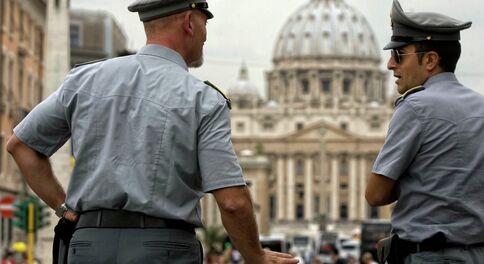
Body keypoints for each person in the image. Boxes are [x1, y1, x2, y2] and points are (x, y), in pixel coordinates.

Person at [6, 1, 299, 263]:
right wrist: (255, 256)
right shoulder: (203, 100)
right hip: (164, 248)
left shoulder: (84, 78)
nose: (206, 35)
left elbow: (20, 145)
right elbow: (233, 201)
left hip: (87, 245)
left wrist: (63, 208)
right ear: (189, 23)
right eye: (205, 23)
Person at [364, 1, 484, 264]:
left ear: (430, 60)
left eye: (399, 54)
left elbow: (375, 194)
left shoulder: (414, 108)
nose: (391, 64)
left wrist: (416, 179)